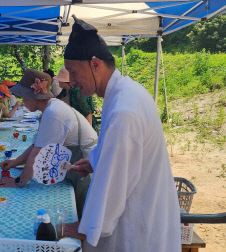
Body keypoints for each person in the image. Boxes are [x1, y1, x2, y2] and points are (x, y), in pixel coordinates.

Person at [61, 17, 180, 251]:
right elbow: (120, 150)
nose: (72, 82)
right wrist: (95, 160)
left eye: (74, 73)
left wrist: (87, 227)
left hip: (138, 229)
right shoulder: (125, 92)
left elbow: (112, 187)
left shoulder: (124, 109)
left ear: (95, 65)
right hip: (146, 214)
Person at [0, 69, 98, 219]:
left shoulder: (54, 114)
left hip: (87, 165)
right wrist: (16, 162)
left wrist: (19, 181)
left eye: (24, 97)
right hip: (78, 162)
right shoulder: (51, 108)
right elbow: (36, 144)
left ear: (34, 95)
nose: (22, 102)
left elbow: (37, 155)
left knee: (84, 213)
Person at [54, 66, 99, 132]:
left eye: (60, 79)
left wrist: (88, 134)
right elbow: (56, 100)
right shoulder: (66, 90)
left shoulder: (77, 92)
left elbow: (87, 114)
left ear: (67, 81)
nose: (58, 80)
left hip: (84, 129)